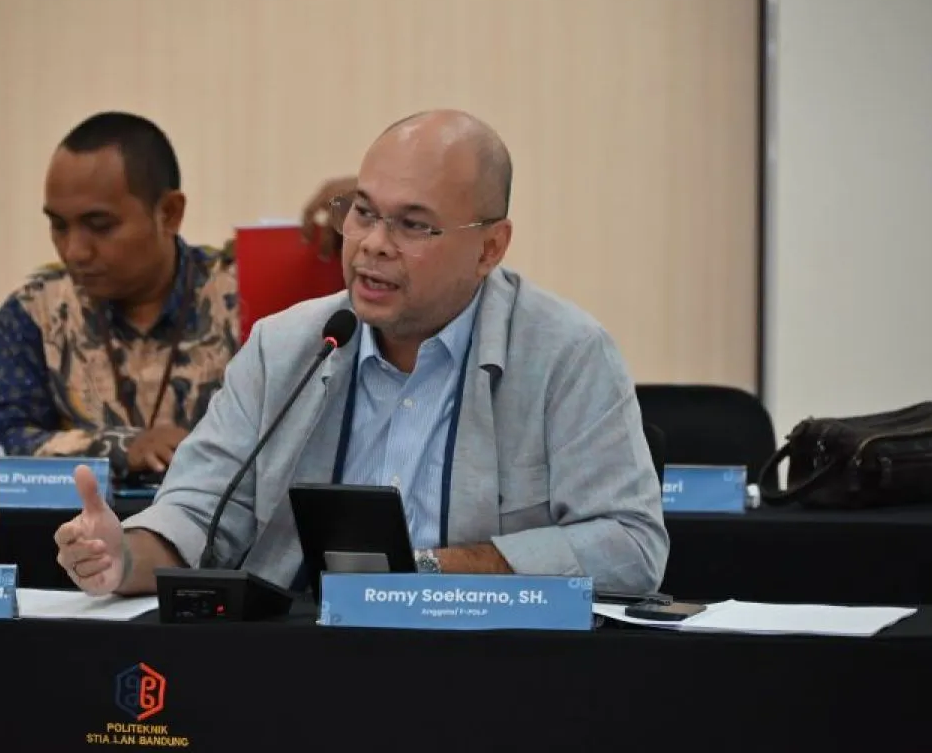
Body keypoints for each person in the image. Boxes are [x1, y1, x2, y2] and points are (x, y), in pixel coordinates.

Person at [54, 109, 668, 595]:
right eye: (363, 212)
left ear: (490, 248)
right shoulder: (286, 346)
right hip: (301, 661)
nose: (373, 244)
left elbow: (631, 545)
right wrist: (122, 555)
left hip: (483, 663)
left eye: (413, 224)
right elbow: (201, 510)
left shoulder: (566, 355)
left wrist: (427, 569)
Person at [0, 112, 238, 481]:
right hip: (80, 518)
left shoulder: (244, 300)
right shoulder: (31, 314)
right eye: (58, 226)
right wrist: (120, 447)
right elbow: (4, 441)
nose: (74, 251)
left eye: (99, 226)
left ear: (169, 213)